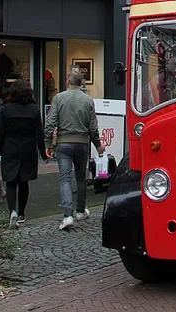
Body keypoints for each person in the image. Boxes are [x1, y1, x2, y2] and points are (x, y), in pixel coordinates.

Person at [45, 70, 105, 231]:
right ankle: (80, 210)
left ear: (68, 82)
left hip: (63, 143)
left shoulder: (58, 98)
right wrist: (97, 144)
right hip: (81, 143)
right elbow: (93, 127)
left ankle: (67, 215)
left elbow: (50, 123)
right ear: (81, 83)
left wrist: (48, 143)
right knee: (80, 177)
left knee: (65, 178)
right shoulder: (88, 101)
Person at [0, 80, 46, 228]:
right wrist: (44, 153)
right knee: (24, 182)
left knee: (11, 181)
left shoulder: (5, 110)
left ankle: (12, 211)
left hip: (10, 147)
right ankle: (22, 213)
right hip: (28, 148)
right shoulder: (34, 110)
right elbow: (39, 134)